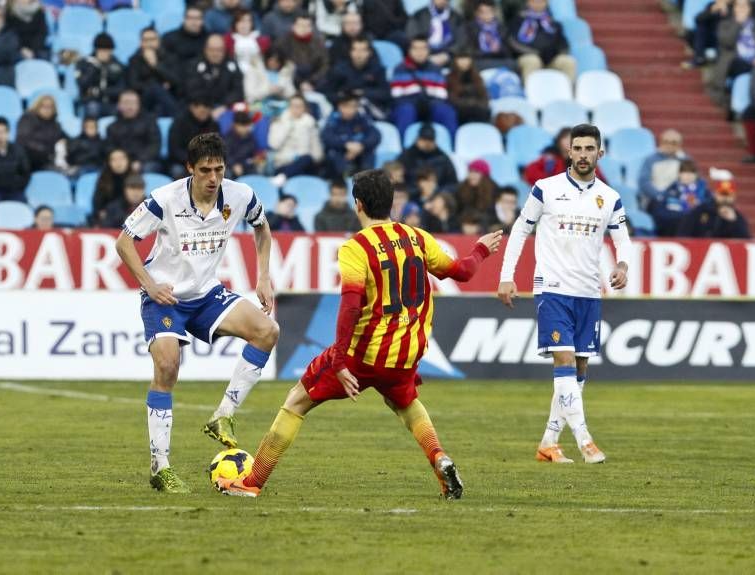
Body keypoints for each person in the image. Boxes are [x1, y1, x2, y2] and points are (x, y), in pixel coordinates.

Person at [214, 168, 503, 498]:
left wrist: (339, 361)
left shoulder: (356, 248)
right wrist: (480, 249)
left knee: (296, 401)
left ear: (358, 204)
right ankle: (440, 458)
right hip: (405, 353)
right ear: (392, 203)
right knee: (406, 405)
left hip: (363, 354)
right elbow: (462, 271)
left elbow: (350, 307)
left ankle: (251, 484)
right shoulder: (417, 237)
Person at [115, 132, 278, 493]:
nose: (213, 178)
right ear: (190, 169)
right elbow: (124, 242)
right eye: (205, 170)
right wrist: (149, 284)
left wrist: (264, 275)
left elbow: (262, 228)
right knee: (168, 366)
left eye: (219, 170)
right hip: (165, 298)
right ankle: (161, 466)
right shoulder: (164, 199)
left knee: (267, 331)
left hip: (206, 295)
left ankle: (223, 417)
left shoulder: (240, 195)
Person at [497, 124, 631, 465]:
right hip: (553, 288)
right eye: (578, 148)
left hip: (588, 291)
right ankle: (585, 441)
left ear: (600, 153)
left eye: (590, 149)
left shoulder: (609, 197)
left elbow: (621, 238)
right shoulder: (546, 189)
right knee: (565, 362)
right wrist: (506, 276)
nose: (583, 154)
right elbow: (519, 231)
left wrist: (623, 265)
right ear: (568, 152)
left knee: (579, 370)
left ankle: (548, 443)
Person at [389, 36, 458, 139]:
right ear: (409, 51)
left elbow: (441, 94)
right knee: (405, 111)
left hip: (431, 103)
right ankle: (403, 148)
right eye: (415, 48)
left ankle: (451, 148)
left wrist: (426, 100)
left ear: (428, 51)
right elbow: (396, 95)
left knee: (446, 111)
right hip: (408, 103)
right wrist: (416, 98)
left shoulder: (435, 69)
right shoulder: (399, 69)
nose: (419, 52)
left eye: (423, 48)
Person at [322, 36, 391, 118]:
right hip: (343, 109)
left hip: (371, 109)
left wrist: (363, 93)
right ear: (350, 52)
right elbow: (328, 93)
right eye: (356, 50)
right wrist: (346, 97)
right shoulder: (339, 69)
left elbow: (385, 94)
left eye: (363, 50)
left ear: (369, 53)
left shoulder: (378, 69)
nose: (359, 54)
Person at [507, 0, 576, 81]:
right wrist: (536, 53)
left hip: (550, 58)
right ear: (528, 2)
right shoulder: (518, 20)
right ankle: (529, 91)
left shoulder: (553, 24)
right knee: (533, 61)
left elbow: (564, 44)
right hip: (527, 56)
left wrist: (553, 53)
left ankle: (567, 91)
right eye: (535, 1)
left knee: (568, 62)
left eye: (541, 1)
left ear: (546, 3)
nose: (538, 4)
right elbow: (512, 43)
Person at [321, 91, 380, 178]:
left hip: (360, 151)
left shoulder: (362, 118)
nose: (350, 110)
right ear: (340, 107)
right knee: (333, 153)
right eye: (346, 106)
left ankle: (367, 179)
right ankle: (345, 177)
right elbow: (327, 137)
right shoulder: (333, 119)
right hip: (341, 154)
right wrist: (346, 145)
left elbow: (375, 135)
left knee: (369, 152)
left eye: (354, 106)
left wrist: (361, 145)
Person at [268, 94, 323, 185]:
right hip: (283, 163)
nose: (296, 109)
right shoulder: (279, 121)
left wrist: (317, 159)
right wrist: (287, 126)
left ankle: (283, 177)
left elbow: (316, 148)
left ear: (304, 108)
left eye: (299, 106)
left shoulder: (310, 123)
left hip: (305, 163)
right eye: (294, 106)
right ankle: (283, 176)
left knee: (307, 158)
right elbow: (274, 144)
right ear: (289, 107)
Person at [186, 35, 244, 120]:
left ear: (224, 50)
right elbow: (192, 90)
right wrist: (207, 107)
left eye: (219, 50)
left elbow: (238, 90)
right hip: (202, 107)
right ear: (205, 50)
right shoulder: (195, 65)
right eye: (211, 50)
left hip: (227, 107)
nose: (215, 53)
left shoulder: (232, 65)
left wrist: (224, 106)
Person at [648, 159, 711, 237]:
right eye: (684, 172)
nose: (688, 175)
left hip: (697, 227)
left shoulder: (704, 191)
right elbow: (662, 213)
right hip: (675, 226)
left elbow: (710, 207)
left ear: (696, 175)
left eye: (691, 172)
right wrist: (684, 216)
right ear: (679, 174)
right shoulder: (671, 190)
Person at [126, 27, 179, 118]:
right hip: (144, 100)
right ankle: (177, 116)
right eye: (146, 40)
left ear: (159, 41)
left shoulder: (170, 57)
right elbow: (133, 84)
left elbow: (176, 81)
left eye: (152, 39)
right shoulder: (134, 60)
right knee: (155, 88)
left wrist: (156, 66)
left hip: (168, 98)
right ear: (141, 43)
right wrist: (157, 86)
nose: (149, 43)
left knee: (159, 109)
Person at [105, 90, 162, 174]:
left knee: (148, 168)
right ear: (119, 105)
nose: (129, 106)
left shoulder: (150, 123)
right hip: (121, 162)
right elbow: (110, 148)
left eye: (133, 103)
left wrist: (140, 161)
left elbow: (154, 145)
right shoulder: (112, 127)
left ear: (139, 105)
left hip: (145, 161)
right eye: (126, 103)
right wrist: (121, 161)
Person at [678, 178, 751, 238]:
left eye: (728, 195)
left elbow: (746, 240)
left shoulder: (737, 217)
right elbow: (683, 234)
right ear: (716, 194)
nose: (725, 198)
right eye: (722, 194)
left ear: (733, 197)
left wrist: (734, 222)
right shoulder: (700, 211)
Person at [76, 32, 126, 118]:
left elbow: (121, 89)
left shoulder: (118, 66)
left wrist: (100, 91)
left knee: (123, 110)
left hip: (112, 103)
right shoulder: (84, 64)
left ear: (111, 50)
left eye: (107, 50)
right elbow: (82, 84)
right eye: (101, 50)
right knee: (92, 108)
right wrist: (95, 67)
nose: (104, 53)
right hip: (90, 102)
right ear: (96, 50)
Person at [168, 95, 219, 179]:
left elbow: (217, 147)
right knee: (177, 171)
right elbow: (174, 150)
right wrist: (194, 160)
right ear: (192, 108)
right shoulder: (179, 123)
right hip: (183, 163)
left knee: (223, 171)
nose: (204, 114)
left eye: (207, 111)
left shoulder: (213, 124)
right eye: (202, 112)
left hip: (207, 162)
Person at [276, 13, 329, 91]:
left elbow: (325, 65)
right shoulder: (284, 42)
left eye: (307, 26)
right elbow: (283, 64)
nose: (304, 29)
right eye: (300, 25)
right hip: (291, 79)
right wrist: (300, 83)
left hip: (314, 81)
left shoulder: (318, 42)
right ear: (293, 26)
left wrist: (311, 81)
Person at [398, 123, 457, 193]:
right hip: (411, 196)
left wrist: (437, 192)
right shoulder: (406, 156)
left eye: (430, 140)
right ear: (417, 139)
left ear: (434, 141)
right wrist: (418, 191)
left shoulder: (442, 158)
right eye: (424, 139)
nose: (427, 143)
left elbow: (453, 183)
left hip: (437, 197)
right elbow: (398, 180)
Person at [15, 94, 68, 171]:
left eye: (50, 107)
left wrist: (64, 142)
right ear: (37, 106)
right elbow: (23, 140)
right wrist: (46, 152)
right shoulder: (28, 119)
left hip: (48, 160)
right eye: (43, 106)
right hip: (29, 161)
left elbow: (66, 139)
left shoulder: (56, 125)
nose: (47, 109)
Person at [406, 0, 465, 68]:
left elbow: (461, 41)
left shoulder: (457, 17)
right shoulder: (418, 15)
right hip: (423, 55)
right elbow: (412, 38)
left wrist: (447, 55)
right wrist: (425, 54)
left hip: (450, 56)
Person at [637, 129, 688, 206]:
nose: (669, 145)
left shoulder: (685, 160)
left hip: (680, 200)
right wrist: (660, 196)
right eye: (666, 142)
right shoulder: (650, 160)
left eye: (674, 143)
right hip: (657, 200)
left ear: (680, 144)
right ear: (661, 143)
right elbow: (644, 182)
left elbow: (694, 180)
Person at [464, 0, 516, 71]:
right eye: (483, 12)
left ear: (494, 12)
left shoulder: (501, 28)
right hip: (480, 60)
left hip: (501, 60)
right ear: (476, 13)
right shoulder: (470, 28)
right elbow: (469, 50)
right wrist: (488, 52)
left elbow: (508, 50)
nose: (487, 15)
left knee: (512, 64)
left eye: (489, 11)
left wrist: (498, 50)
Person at [446, 48, 491, 125]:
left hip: (478, 111)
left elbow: (484, 98)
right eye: (461, 58)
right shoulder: (449, 78)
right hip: (460, 113)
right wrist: (470, 103)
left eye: (466, 58)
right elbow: (452, 100)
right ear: (455, 61)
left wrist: (475, 104)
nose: (464, 62)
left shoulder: (477, 77)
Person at [161, 6, 207, 76]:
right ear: (183, 19)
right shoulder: (169, 39)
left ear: (202, 21)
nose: (194, 22)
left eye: (197, 18)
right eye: (190, 18)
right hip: (176, 79)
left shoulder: (209, 40)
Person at [223, 111, 265, 178]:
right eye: (243, 125)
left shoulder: (250, 137)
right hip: (231, 167)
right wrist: (234, 165)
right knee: (227, 174)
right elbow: (225, 155)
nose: (246, 128)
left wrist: (257, 158)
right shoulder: (228, 138)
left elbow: (253, 153)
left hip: (246, 166)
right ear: (235, 125)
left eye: (247, 125)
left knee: (257, 174)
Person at [93, 148, 133, 218]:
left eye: (121, 158)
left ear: (128, 160)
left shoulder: (135, 177)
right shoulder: (103, 179)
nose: (118, 163)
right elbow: (98, 203)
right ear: (109, 163)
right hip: (109, 217)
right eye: (114, 160)